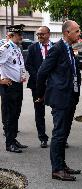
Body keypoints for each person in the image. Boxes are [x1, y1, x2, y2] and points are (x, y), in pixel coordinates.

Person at [36, 20, 81, 181]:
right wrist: (40, 95)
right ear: (67, 33)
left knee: (64, 134)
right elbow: (41, 72)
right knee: (59, 134)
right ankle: (57, 169)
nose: (79, 34)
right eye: (76, 31)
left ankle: (62, 164)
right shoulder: (57, 49)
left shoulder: (69, 48)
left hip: (70, 98)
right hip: (60, 98)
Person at [0, 24, 28, 153]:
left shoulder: (16, 47)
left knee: (16, 114)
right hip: (9, 86)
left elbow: (18, 65)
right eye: (19, 34)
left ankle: (13, 139)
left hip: (17, 85)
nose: (21, 36)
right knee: (10, 115)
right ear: (11, 35)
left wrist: (22, 76)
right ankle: (9, 143)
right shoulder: (5, 48)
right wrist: (1, 80)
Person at [25, 26, 51, 148]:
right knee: (39, 111)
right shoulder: (32, 48)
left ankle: (60, 137)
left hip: (53, 85)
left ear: (48, 34)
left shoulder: (55, 47)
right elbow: (28, 65)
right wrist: (39, 77)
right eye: (38, 34)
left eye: (42, 34)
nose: (39, 36)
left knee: (58, 111)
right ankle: (42, 137)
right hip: (37, 84)